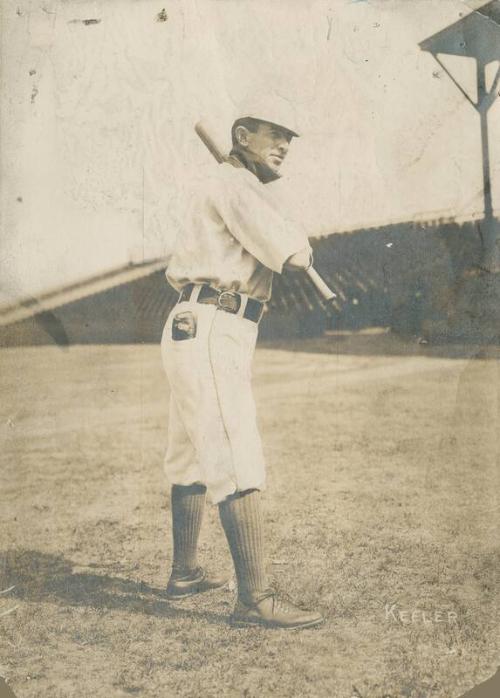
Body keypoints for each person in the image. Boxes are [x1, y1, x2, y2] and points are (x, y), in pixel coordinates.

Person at [160, 100, 324, 629]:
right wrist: (291, 229)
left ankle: (185, 574)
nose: (284, 145)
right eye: (274, 134)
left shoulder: (232, 185)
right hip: (215, 320)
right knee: (234, 449)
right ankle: (254, 599)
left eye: (289, 138)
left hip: (198, 321)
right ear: (241, 136)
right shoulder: (234, 186)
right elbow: (295, 256)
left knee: (189, 452)